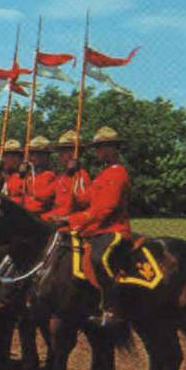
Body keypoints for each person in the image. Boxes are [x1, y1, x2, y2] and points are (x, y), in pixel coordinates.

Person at [51, 127, 131, 327]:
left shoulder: (118, 173)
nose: (100, 152)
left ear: (115, 149)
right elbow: (84, 199)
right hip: (96, 229)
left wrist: (71, 220)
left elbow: (106, 208)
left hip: (114, 229)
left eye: (104, 147)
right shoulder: (102, 174)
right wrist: (71, 175)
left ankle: (111, 309)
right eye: (98, 148)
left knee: (99, 257)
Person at [40, 130, 92, 224]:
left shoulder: (81, 176)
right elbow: (43, 195)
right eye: (61, 151)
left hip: (69, 222)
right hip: (53, 217)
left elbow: (84, 202)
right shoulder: (62, 177)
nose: (61, 155)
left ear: (74, 154)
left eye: (65, 151)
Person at [22, 136, 57, 215]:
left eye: (39, 154)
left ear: (46, 156)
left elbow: (43, 197)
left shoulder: (50, 176)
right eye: (32, 154)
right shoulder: (28, 176)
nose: (34, 157)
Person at [0, 139, 25, 205]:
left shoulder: (25, 178)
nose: (10, 159)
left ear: (21, 158)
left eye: (14, 155)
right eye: (7, 155)